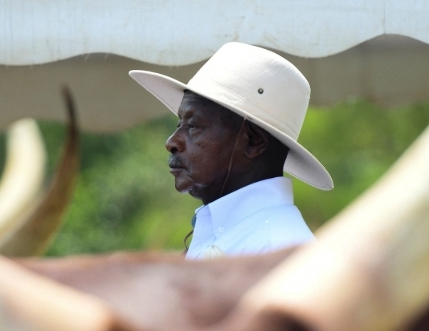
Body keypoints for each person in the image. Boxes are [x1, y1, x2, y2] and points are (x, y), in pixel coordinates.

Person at [129, 42, 333, 259]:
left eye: (193, 126)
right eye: (180, 123)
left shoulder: (278, 250)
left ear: (253, 141)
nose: (172, 141)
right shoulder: (248, 237)